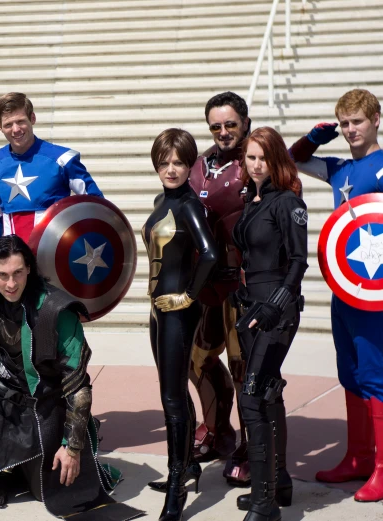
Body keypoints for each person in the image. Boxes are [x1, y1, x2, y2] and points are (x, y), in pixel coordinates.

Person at [0, 235, 140, 520]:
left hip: (42, 403)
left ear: (29, 268)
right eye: (2, 275)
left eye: (17, 273)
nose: (10, 284)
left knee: (45, 490)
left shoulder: (57, 311)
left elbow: (78, 388)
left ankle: (22, 463)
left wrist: (72, 447)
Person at [290, 89, 383, 502]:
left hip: (377, 291)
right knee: (349, 371)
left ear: (376, 119)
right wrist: (314, 138)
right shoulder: (339, 168)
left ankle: (382, 467)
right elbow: (292, 160)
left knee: (375, 374)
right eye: (344, 124)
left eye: (356, 122)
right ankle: (359, 457)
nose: (349, 130)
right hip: (345, 285)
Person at [143, 129, 219, 521]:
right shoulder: (162, 200)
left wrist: (188, 295)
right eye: (164, 162)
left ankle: (177, 485)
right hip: (159, 310)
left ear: (190, 165)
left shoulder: (189, 203)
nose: (171, 169)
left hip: (177, 309)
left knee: (172, 397)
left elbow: (209, 253)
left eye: (178, 162)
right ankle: (187, 463)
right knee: (171, 391)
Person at [233, 127, 308, 520]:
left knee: (250, 397)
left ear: (276, 158)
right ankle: (277, 483)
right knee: (267, 394)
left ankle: (265, 505)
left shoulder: (288, 202)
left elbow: (298, 261)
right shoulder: (253, 201)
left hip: (277, 311)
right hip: (250, 311)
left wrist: (278, 303)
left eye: (263, 157)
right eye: (250, 157)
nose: (256, 164)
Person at [188, 92, 251, 483]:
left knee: (245, 368)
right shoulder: (199, 164)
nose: (223, 131)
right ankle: (218, 429)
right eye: (216, 125)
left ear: (245, 120)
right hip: (204, 283)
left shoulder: (260, 158)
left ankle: (251, 446)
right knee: (198, 361)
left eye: (230, 123)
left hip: (245, 283)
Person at [0, 92, 102, 248]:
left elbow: (96, 205)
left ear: (33, 118)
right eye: (8, 124)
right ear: (0, 127)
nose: (16, 129)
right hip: (13, 262)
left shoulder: (63, 159)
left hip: (55, 257)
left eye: (21, 121)